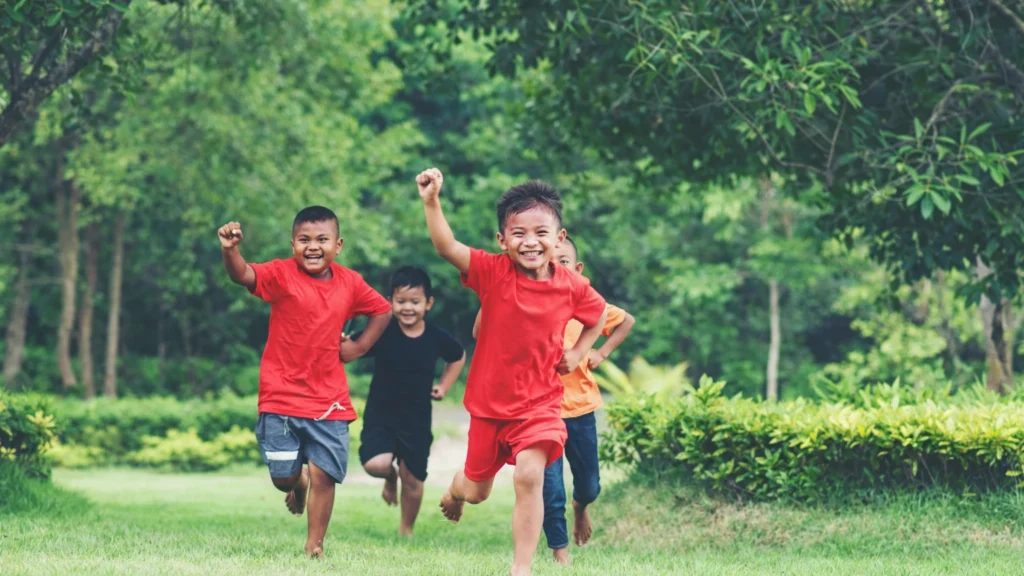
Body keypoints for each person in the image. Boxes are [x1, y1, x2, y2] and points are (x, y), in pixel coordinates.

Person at [416, 167, 608, 576]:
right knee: (477, 491)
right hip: (488, 408)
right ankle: (457, 488)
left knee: (530, 474)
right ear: (503, 241)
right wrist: (432, 201)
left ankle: (520, 569)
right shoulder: (492, 272)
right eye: (518, 233)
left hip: (539, 405)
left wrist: (577, 353)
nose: (530, 242)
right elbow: (447, 246)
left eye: (541, 233)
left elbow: (599, 316)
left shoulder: (571, 286)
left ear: (559, 240)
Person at [217, 206, 392, 558]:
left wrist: (358, 347)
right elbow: (245, 276)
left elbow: (382, 310)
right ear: (293, 243)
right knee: (282, 475)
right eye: (304, 240)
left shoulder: (350, 282)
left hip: (329, 399)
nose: (313, 247)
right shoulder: (281, 274)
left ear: (337, 245)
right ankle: (296, 482)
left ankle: (315, 545)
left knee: (325, 474)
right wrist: (230, 250)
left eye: (322, 240)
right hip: (280, 395)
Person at [475, 237, 635, 565]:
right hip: (539, 412)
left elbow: (623, 321)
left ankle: (582, 507)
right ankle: (559, 550)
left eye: (563, 262)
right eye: (550, 262)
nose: (554, 268)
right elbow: (480, 332)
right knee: (549, 489)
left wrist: (599, 353)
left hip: (581, 410)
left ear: (577, 270)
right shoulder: (525, 302)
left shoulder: (583, 305)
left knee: (589, 485)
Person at [354, 265, 466, 536]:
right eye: (400, 301)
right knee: (375, 464)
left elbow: (458, 355)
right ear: (390, 301)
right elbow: (355, 348)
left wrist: (443, 386)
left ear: (428, 303)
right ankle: (390, 477)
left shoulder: (436, 337)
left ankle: (406, 530)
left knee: (414, 479)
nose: (407, 308)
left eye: (414, 302)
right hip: (381, 414)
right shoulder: (382, 332)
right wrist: (342, 341)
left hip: (416, 419)